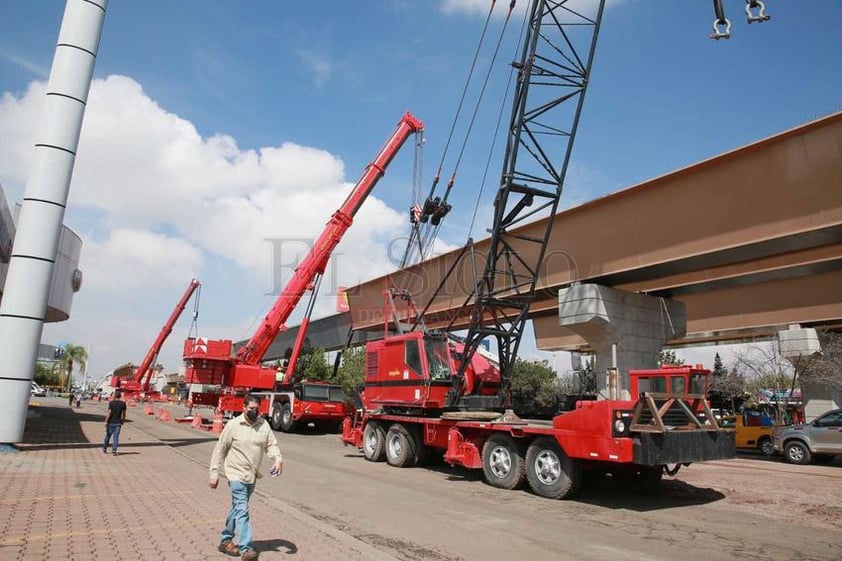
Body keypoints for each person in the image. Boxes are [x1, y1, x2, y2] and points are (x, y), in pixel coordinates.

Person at [209, 394, 283, 561]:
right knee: (242, 509)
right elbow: (220, 449)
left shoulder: (263, 425)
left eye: (257, 409)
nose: (254, 412)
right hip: (235, 474)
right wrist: (214, 474)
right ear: (243, 407)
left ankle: (225, 540)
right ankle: (246, 548)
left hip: (251, 476)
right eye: (251, 409)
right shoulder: (233, 425)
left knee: (237, 508)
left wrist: (277, 459)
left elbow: (271, 444)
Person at [103, 390, 127, 456]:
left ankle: (104, 448)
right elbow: (124, 413)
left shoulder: (111, 403)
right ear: (120, 396)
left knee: (108, 436)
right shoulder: (123, 404)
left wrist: (106, 421)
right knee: (116, 437)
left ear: (114, 396)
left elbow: (109, 413)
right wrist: (123, 420)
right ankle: (114, 450)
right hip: (118, 423)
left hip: (110, 422)